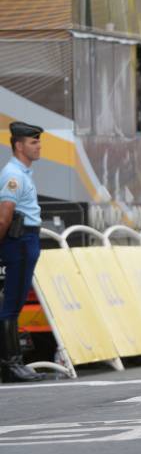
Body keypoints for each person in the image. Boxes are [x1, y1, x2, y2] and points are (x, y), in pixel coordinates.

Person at [0, 121, 47, 383]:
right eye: (33, 142)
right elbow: (4, 216)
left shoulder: (22, 173)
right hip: (19, 241)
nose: (38, 146)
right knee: (12, 305)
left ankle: (13, 364)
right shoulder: (14, 176)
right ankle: (11, 365)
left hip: (25, 239)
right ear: (19, 146)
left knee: (14, 304)